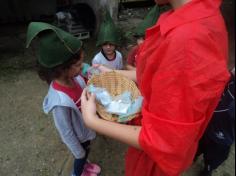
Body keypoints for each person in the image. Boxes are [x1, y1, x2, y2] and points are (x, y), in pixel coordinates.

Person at [81, 0, 230, 175]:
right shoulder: (198, 15)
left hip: (153, 162)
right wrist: (114, 74)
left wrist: (92, 121)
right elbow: (161, 75)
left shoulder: (187, 42)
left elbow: (163, 141)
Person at [26, 22, 101, 176]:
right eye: (79, 65)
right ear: (62, 68)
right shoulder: (60, 101)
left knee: (87, 149)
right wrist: (77, 151)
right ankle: (77, 172)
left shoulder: (76, 77)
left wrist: (91, 77)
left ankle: (84, 164)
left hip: (85, 130)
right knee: (81, 155)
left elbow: (85, 84)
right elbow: (65, 131)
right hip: (79, 136)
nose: (82, 67)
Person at [195, 67, 235, 176]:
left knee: (213, 158)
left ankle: (207, 169)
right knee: (199, 144)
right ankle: (195, 155)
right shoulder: (230, 81)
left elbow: (227, 111)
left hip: (222, 138)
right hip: (209, 125)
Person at [126, 4, 168, 70]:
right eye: (139, 38)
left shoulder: (157, 52)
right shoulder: (135, 50)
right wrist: (137, 72)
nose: (141, 42)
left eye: (144, 39)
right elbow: (128, 65)